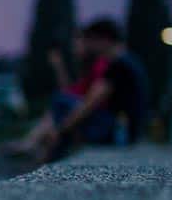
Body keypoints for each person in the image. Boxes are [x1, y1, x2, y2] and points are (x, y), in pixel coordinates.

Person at [10, 17, 146, 163]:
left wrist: (61, 129)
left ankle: (46, 156)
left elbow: (90, 103)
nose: (89, 45)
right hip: (122, 130)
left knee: (62, 103)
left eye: (91, 40)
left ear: (104, 40)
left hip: (119, 134)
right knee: (65, 108)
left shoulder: (119, 66)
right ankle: (46, 156)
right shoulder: (127, 61)